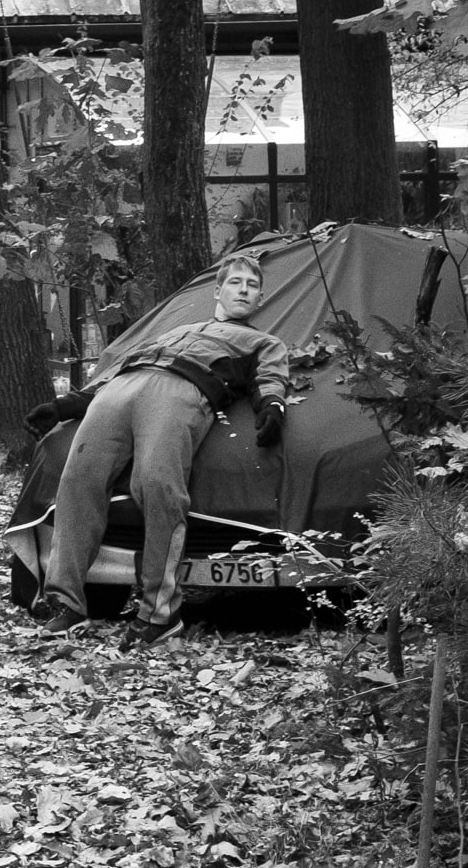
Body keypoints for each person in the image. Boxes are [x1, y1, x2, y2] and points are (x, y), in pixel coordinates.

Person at [26, 253, 290, 646]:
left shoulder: (264, 342)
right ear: (218, 291)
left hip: (180, 390)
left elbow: (270, 376)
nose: (243, 290)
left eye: (252, 286)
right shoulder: (174, 331)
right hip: (121, 389)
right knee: (78, 479)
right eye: (235, 282)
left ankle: (159, 614)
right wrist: (65, 405)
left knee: (157, 486)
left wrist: (272, 406)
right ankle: (67, 604)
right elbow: (117, 370)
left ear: (260, 299)